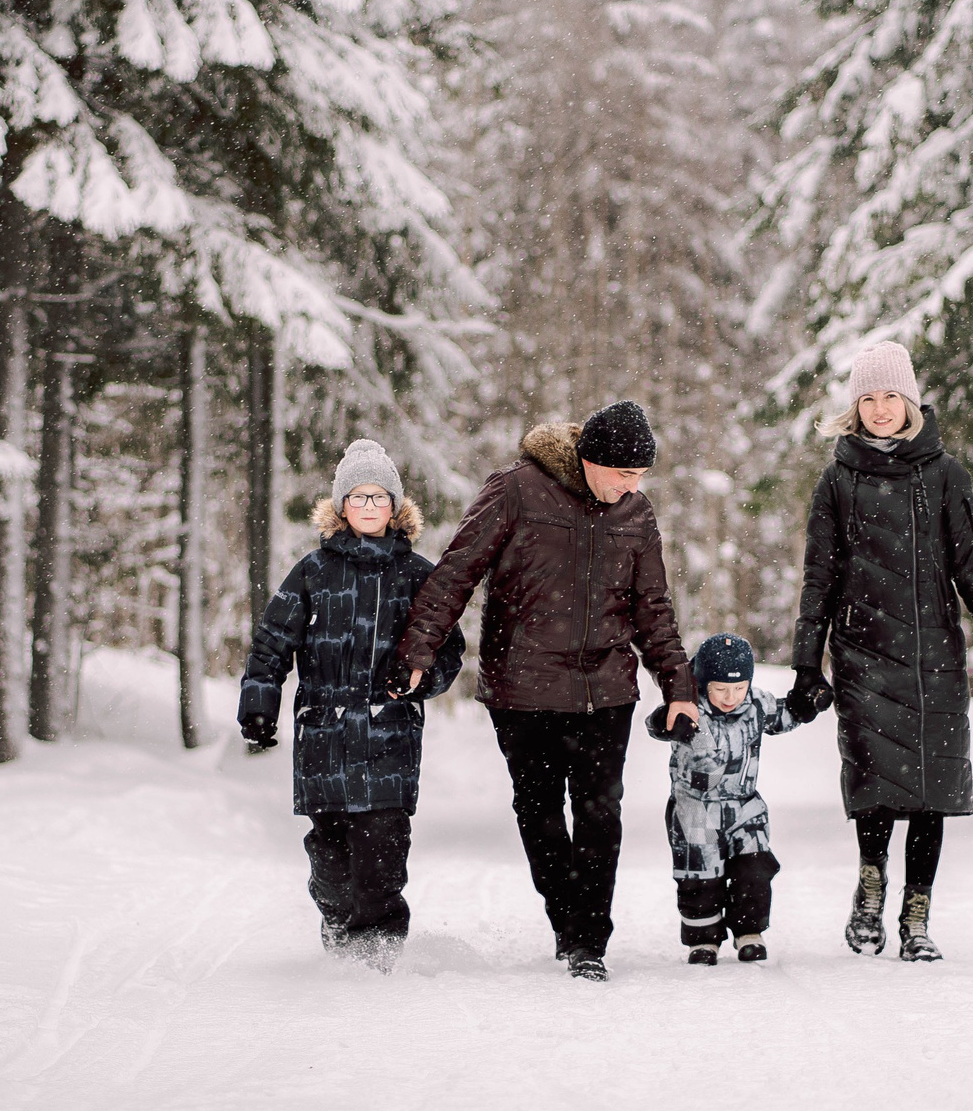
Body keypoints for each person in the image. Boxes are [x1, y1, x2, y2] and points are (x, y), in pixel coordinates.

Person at [389, 401, 697, 981]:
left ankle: (590, 942)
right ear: (588, 460)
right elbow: (458, 571)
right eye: (622, 475)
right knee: (539, 812)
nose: (630, 487)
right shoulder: (515, 490)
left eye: (639, 477)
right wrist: (419, 649)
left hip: (606, 687)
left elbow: (652, 607)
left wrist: (677, 685)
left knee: (601, 811)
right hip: (523, 686)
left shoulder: (636, 512)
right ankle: (567, 919)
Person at [787, 342, 973, 962]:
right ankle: (870, 887)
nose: (881, 408)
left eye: (891, 396)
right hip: (863, 655)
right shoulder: (836, 482)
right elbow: (819, 579)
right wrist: (807, 664)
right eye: (868, 397)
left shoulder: (945, 476)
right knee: (875, 781)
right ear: (855, 407)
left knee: (932, 788)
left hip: (933, 657)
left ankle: (917, 914)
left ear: (911, 401)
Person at [239, 439, 464, 970]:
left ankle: (380, 955)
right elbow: (273, 642)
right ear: (341, 507)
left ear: (395, 507)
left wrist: (418, 682)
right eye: (357, 497)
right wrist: (260, 704)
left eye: (378, 497)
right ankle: (339, 931)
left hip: (390, 732)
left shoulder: (417, 576)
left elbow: (448, 650)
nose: (368, 507)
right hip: (324, 734)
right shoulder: (313, 572)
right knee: (332, 856)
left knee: (383, 850)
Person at [645, 632, 814, 966]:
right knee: (701, 875)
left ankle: (748, 932)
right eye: (720, 688)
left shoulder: (757, 705)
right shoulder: (689, 710)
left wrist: (805, 706)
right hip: (697, 809)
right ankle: (703, 940)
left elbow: (783, 716)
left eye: (739, 688)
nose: (730, 697)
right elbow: (656, 723)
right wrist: (669, 726)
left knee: (754, 867)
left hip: (744, 804)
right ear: (704, 683)